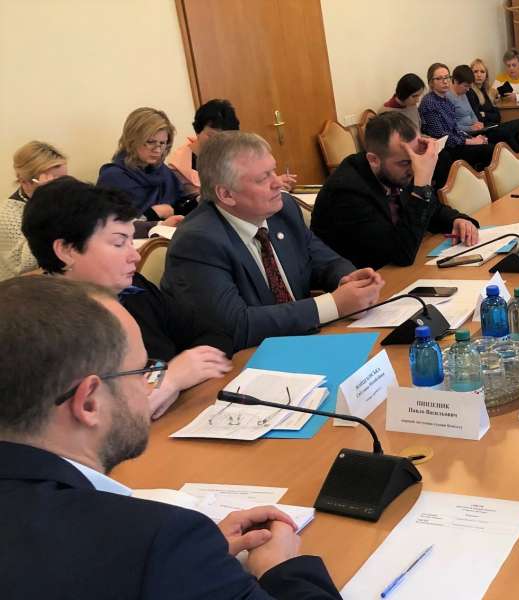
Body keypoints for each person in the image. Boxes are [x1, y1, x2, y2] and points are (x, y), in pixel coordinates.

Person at [0, 276, 342, 599]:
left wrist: (197, 562)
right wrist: (281, 569)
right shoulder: (154, 539)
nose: (151, 385)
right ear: (89, 402)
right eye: (144, 371)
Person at [21, 177, 232, 419]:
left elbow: (215, 335)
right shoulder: (42, 326)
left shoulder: (133, 290)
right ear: (67, 251)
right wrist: (167, 379)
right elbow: (91, 418)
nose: (135, 256)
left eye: (132, 241)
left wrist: (172, 380)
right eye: (119, 243)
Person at [162, 132, 385, 351]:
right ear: (226, 194)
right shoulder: (197, 242)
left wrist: (348, 281)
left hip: (305, 343)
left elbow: (326, 262)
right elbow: (235, 327)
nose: (278, 183)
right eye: (263, 178)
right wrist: (334, 305)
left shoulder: (283, 210)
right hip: (244, 361)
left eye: (273, 171)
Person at [311, 112, 479, 270]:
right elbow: (402, 254)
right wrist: (423, 184)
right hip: (365, 279)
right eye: (405, 162)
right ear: (373, 160)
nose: (414, 169)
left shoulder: (394, 170)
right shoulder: (346, 192)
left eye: (415, 159)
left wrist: (456, 220)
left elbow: (432, 211)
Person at [98, 107, 197, 220]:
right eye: (150, 142)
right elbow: (108, 225)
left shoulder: (164, 172)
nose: (157, 150)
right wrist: (150, 214)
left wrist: (197, 201)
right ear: (132, 140)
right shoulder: (112, 177)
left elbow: (178, 208)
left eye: (162, 143)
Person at [167, 99, 266, 199]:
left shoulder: (235, 152)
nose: (218, 142)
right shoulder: (179, 166)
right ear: (198, 131)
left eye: (224, 138)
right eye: (211, 136)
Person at [452, 64, 519, 173]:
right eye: (476, 72)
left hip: (490, 126)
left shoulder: (484, 91)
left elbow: (495, 115)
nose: (479, 75)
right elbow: (477, 116)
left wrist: (481, 117)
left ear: (486, 75)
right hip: (483, 129)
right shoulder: (470, 93)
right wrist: (477, 122)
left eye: (482, 72)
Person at [1, 141, 67, 280]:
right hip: (27, 286)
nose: (61, 188)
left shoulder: (64, 199)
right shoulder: (7, 215)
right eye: (53, 183)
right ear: (24, 181)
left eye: (64, 180)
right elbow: (27, 265)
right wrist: (45, 201)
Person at [420, 62, 493, 174]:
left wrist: (472, 138)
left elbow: (455, 128)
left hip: (456, 142)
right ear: (431, 83)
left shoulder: (446, 100)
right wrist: (470, 141)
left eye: (447, 77)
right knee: (488, 150)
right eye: (439, 78)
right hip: (446, 148)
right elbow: (442, 136)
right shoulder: (429, 102)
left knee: (488, 143)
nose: (445, 81)